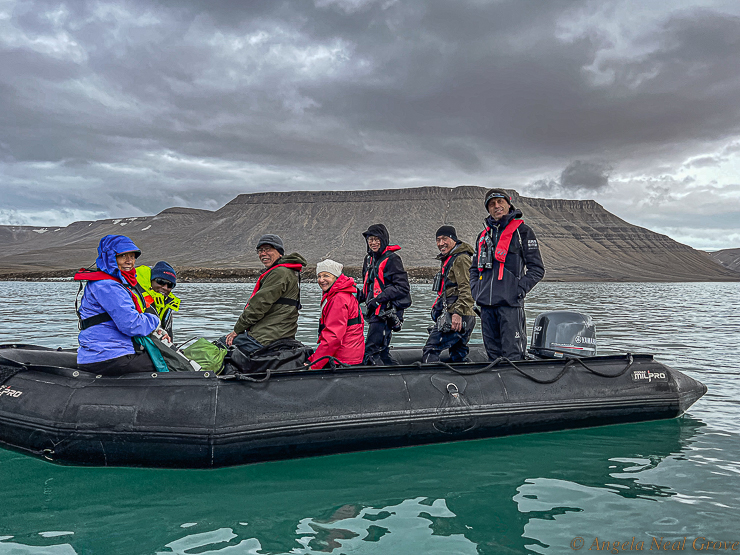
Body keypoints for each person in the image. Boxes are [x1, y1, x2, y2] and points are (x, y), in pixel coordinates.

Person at [470, 189, 545, 361]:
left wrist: (518, 290)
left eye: (500, 202)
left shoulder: (523, 232)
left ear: (508, 204)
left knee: (514, 356)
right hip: (486, 307)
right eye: (491, 204)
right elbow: (474, 269)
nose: (496, 206)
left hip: (510, 306)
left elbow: (537, 269)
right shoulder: (482, 236)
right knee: (492, 356)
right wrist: (476, 291)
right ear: (488, 209)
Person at [74, 234, 163, 375]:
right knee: (167, 361)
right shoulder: (108, 286)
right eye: (123, 256)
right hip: (110, 357)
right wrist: (156, 321)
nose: (129, 261)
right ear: (110, 257)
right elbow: (131, 325)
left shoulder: (109, 283)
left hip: (100, 354)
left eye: (132, 256)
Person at [224, 234, 307, 354]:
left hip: (266, 337)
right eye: (260, 250)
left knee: (221, 346)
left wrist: (237, 330)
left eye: (268, 249)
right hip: (280, 333)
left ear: (280, 252)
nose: (263, 253)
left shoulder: (280, 273)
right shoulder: (287, 271)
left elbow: (259, 305)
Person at [358, 224, 411, 365]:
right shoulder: (368, 260)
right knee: (381, 350)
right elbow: (367, 286)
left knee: (372, 348)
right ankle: (388, 369)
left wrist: (378, 299)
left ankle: (374, 374)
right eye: (370, 239)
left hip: (385, 311)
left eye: (376, 239)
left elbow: (402, 287)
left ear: (383, 239)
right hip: (373, 312)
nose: (373, 243)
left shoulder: (393, 259)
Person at [422, 226, 476, 363]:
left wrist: (457, 313)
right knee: (458, 354)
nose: (441, 243)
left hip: (457, 315)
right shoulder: (450, 259)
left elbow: (467, 288)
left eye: (445, 239)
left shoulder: (460, 259)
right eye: (438, 240)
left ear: (453, 239)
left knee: (431, 349)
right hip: (462, 315)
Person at [306, 259, 365, 369]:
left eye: (326, 275)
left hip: (343, 359)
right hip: (351, 355)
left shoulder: (338, 299)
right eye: (319, 276)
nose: (321, 280)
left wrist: (315, 364)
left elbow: (333, 336)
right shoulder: (342, 294)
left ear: (336, 277)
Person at [135, 261, 180, 340]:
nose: (165, 287)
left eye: (170, 285)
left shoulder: (167, 302)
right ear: (151, 280)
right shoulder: (135, 294)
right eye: (161, 282)